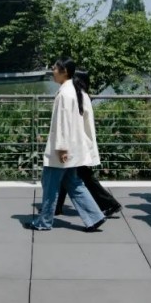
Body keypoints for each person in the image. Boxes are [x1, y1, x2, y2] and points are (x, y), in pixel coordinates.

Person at [30, 59, 106, 232]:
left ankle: (44, 221)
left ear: (64, 71)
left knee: (50, 184)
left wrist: (62, 148)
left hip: (62, 150)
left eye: (55, 68)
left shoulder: (65, 94)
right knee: (74, 183)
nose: (52, 70)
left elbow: (63, 123)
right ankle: (94, 216)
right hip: (74, 149)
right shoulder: (77, 91)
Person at [55, 70, 122, 217]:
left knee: (83, 177)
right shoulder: (82, 96)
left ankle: (110, 204)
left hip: (77, 145)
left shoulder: (79, 96)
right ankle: (57, 206)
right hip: (80, 144)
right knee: (69, 176)